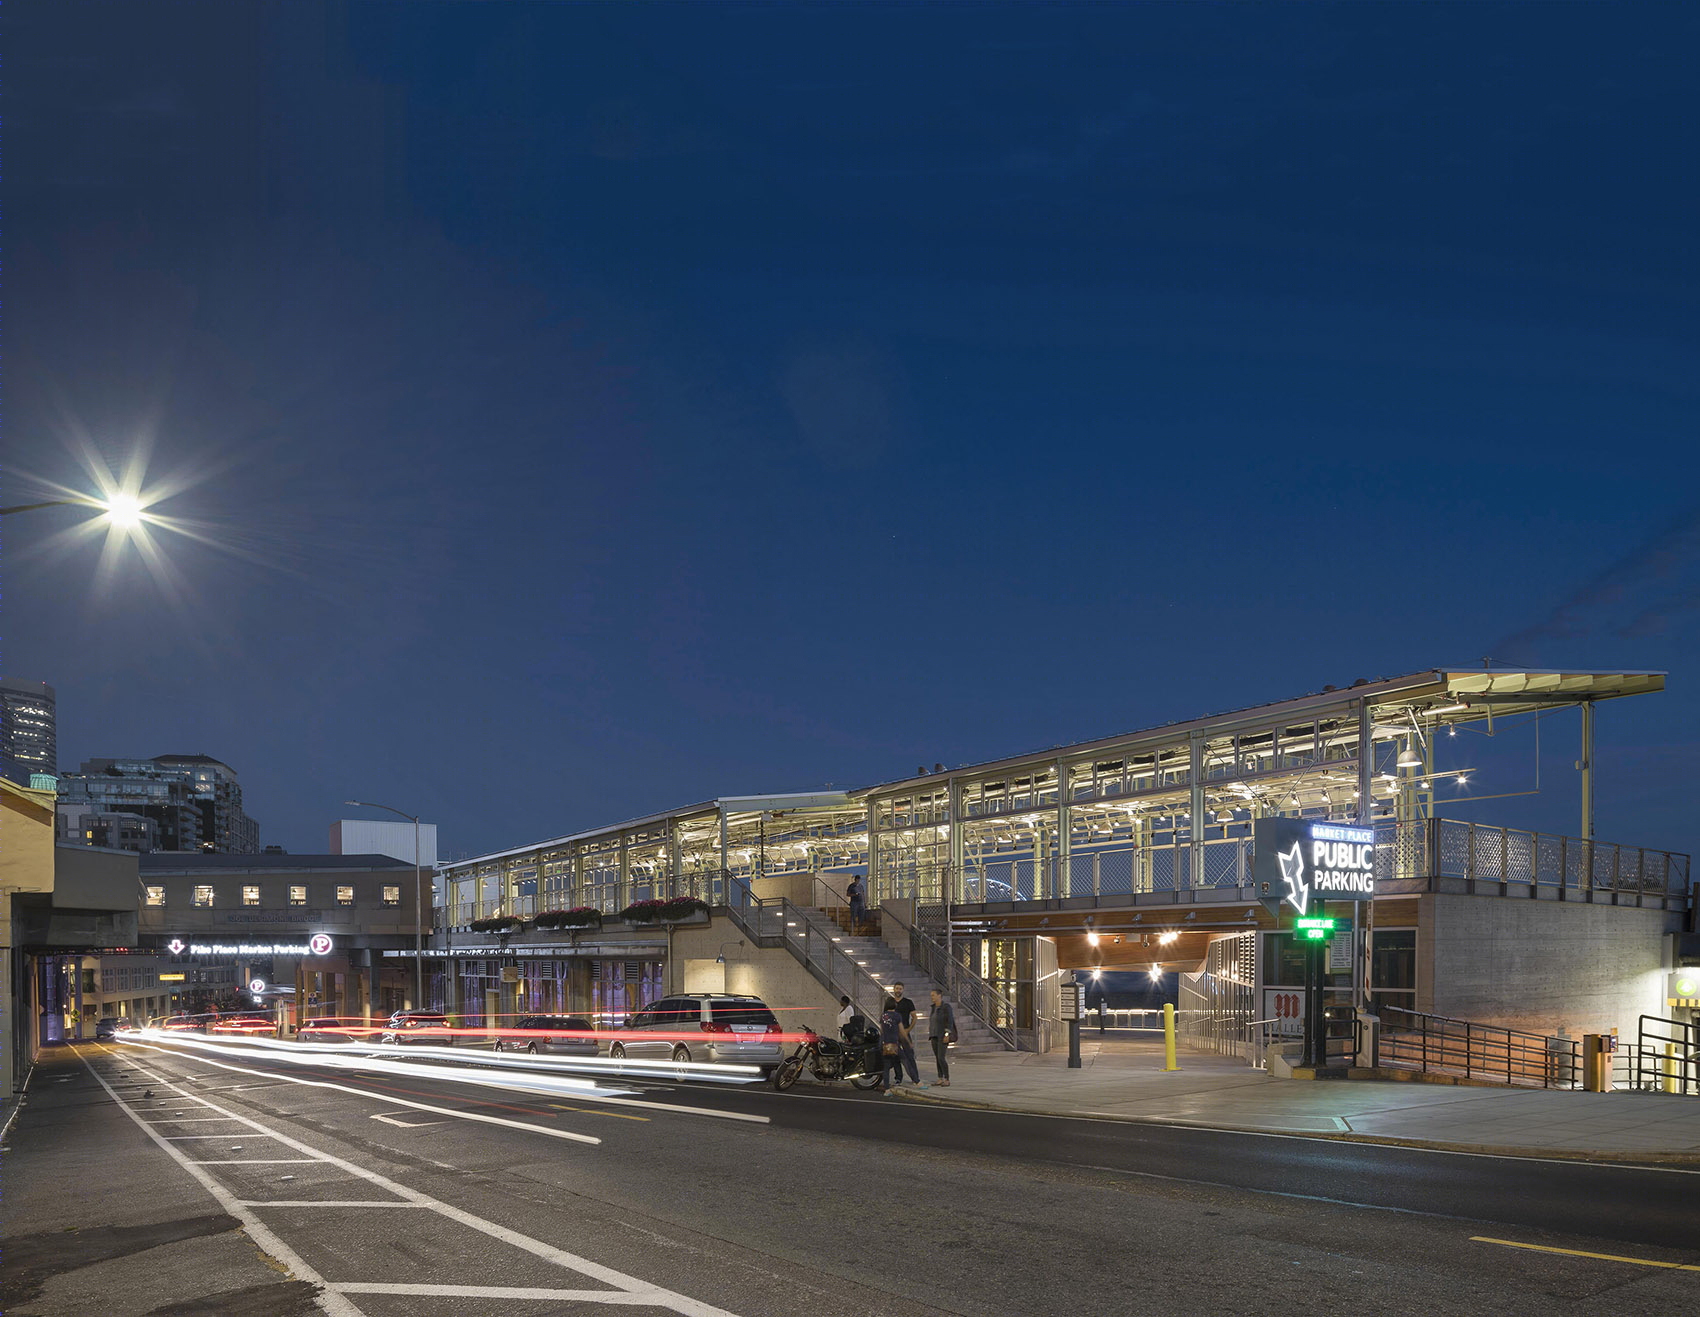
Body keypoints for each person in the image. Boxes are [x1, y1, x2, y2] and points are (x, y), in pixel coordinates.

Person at [888, 981, 922, 1088]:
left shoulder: (908, 1002)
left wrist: (908, 1029)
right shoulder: (890, 1002)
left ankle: (915, 1077)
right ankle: (898, 1078)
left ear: (903, 990)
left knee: (909, 1056)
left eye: (900, 989)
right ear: (894, 989)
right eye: (896, 988)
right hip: (893, 1034)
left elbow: (914, 1017)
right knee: (895, 1057)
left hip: (905, 1034)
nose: (898, 990)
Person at [927, 988, 957, 1086]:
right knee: (937, 1057)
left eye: (933, 995)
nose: (932, 997)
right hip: (934, 1035)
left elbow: (950, 1021)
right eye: (931, 995)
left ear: (939, 995)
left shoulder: (946, 1007)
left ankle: (946, 1078)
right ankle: (940, 1077)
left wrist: (947, 1034)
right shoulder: (933, 1007)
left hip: (942, 1035)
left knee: (941, 1057)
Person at [878, 996, 905, 1094]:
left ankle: (887, 1089)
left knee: (886, 1067)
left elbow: (882, 1030)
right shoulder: (897, 1016)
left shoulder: (883, 1016)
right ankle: (916, 1081)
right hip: (894, 1043)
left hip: (885, 1043)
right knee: (904, 1060)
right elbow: (901, 1031)